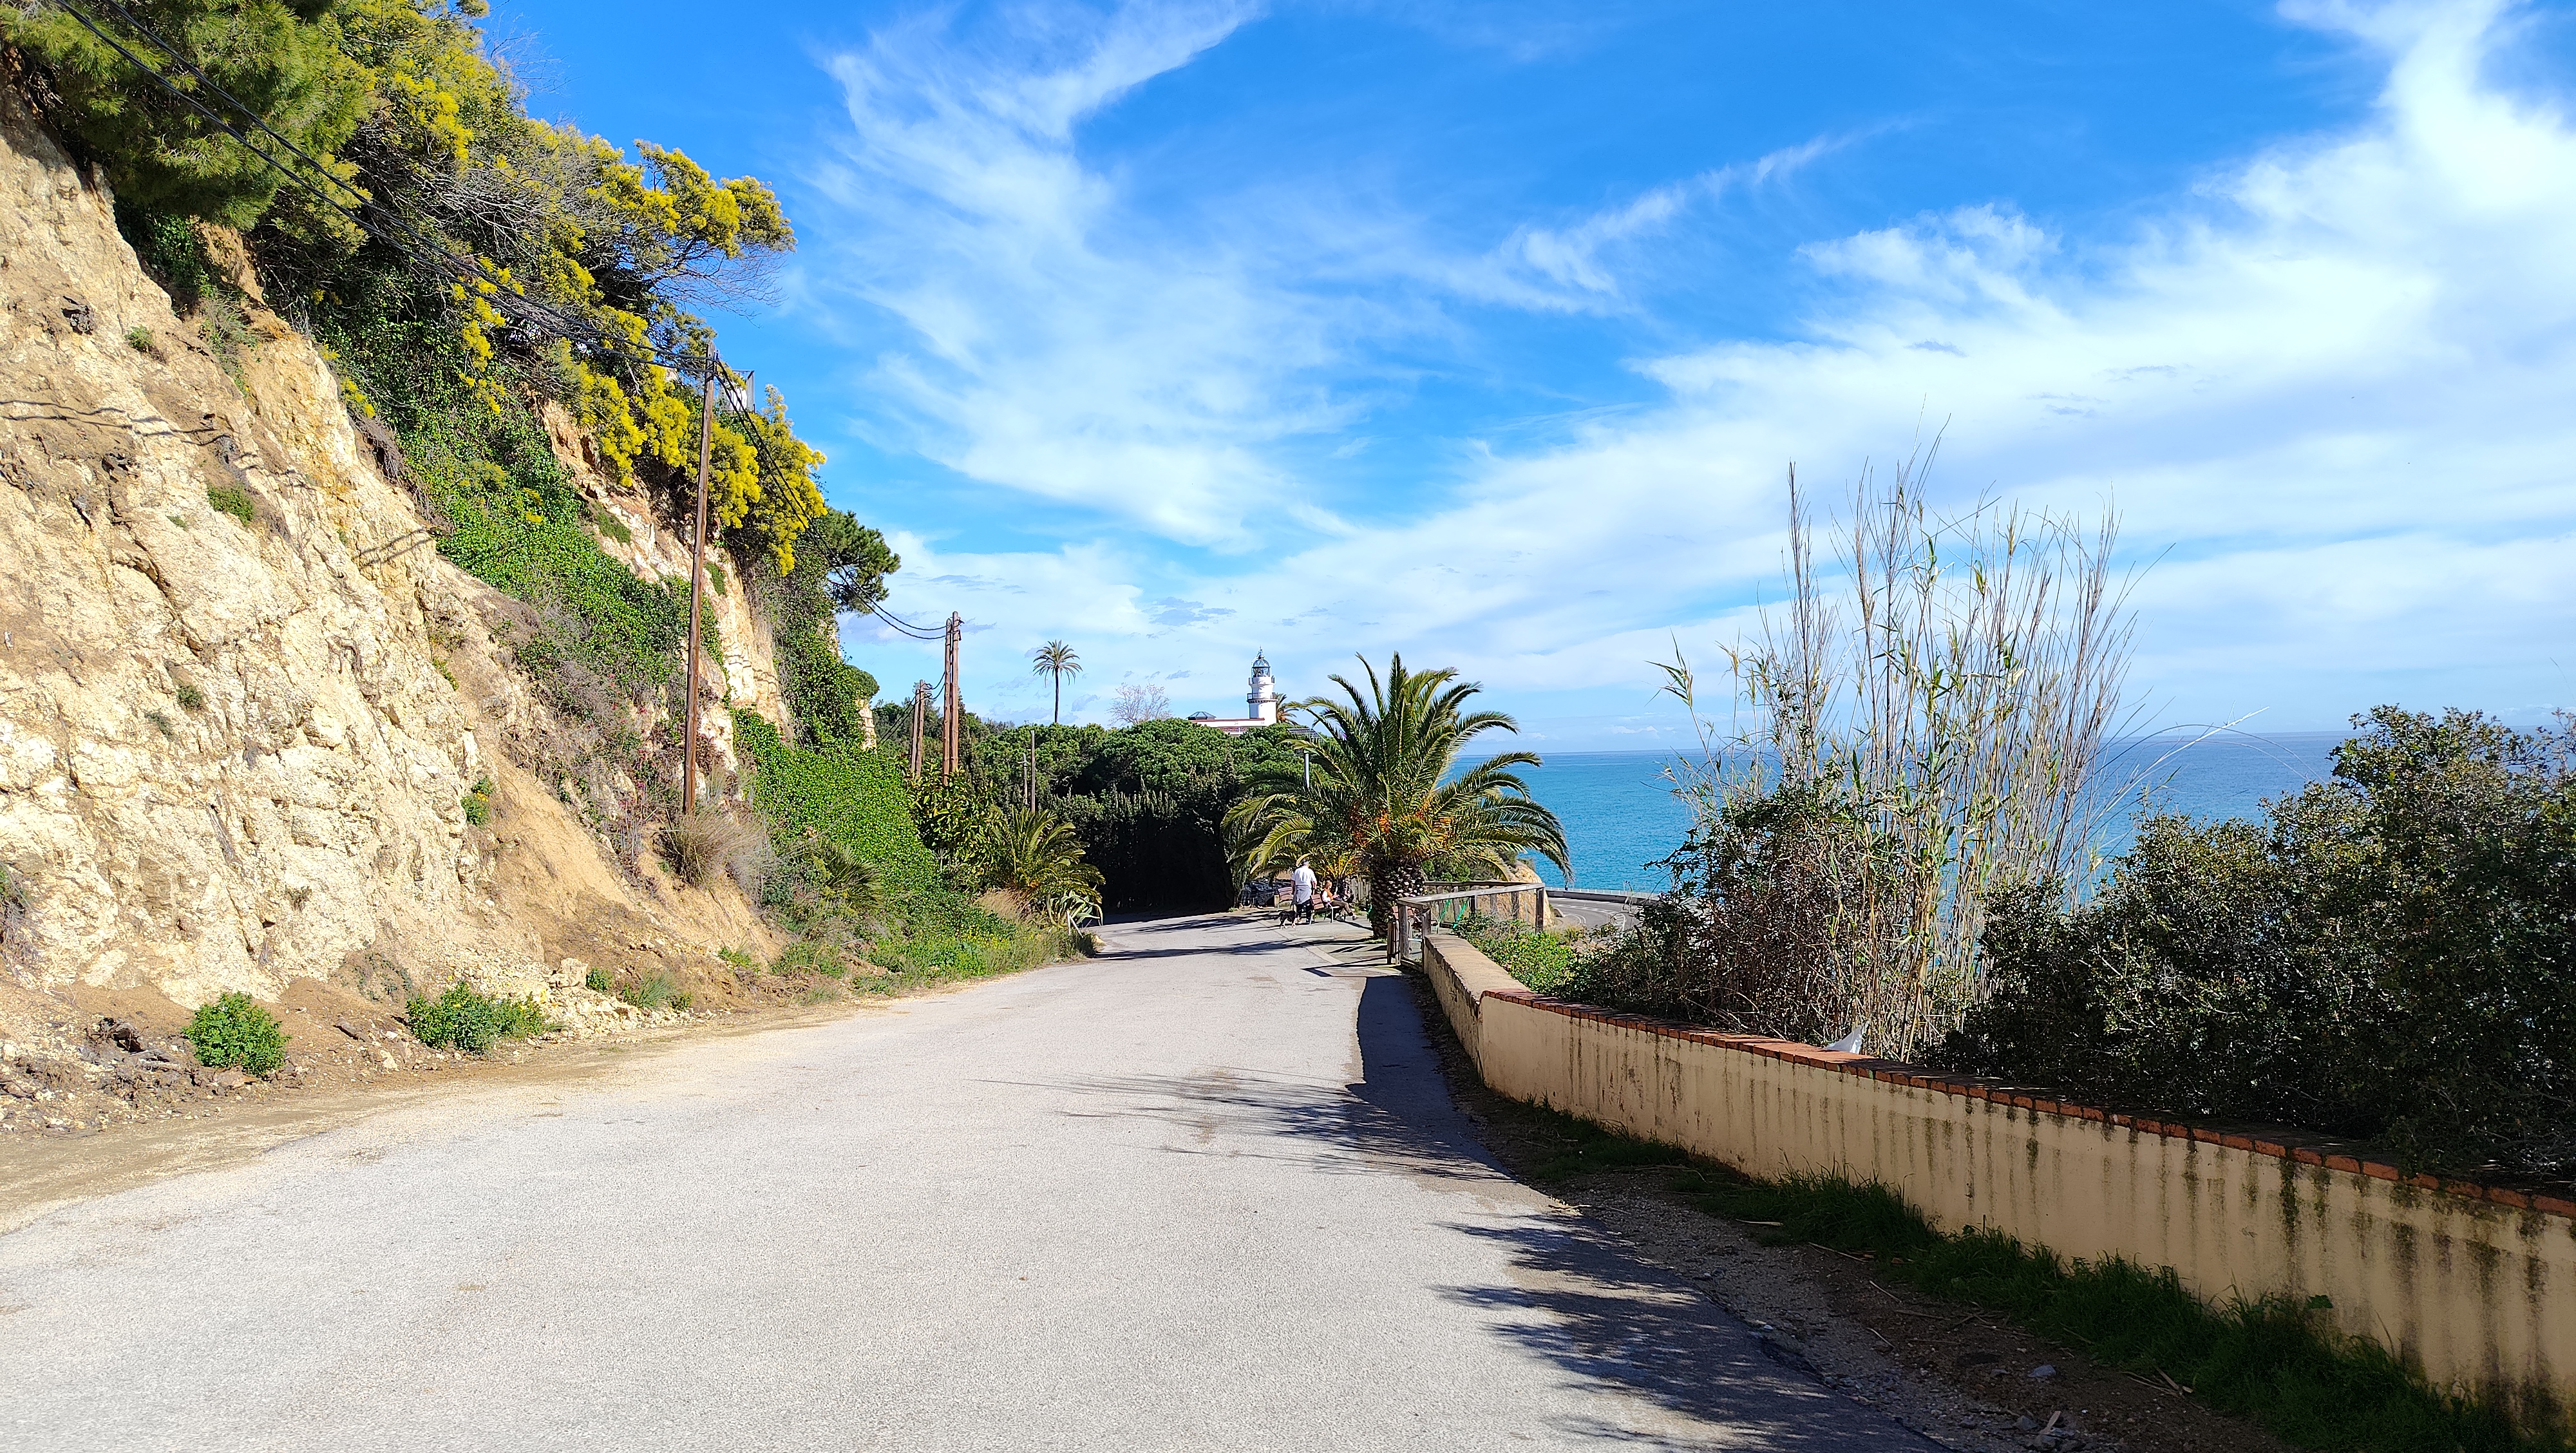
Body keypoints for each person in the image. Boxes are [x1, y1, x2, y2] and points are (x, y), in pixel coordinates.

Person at [1291, 858, 1316, 925]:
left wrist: (1293, 889)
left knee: (1299, 905)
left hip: (1298, 888)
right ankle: (1308, 919)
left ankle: (1299, 919)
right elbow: (1314, 881)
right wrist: (1314, 889)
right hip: (1307, 888)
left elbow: (1293, 881)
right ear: (1308, 865)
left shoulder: (1297, 871)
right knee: (1308, 904)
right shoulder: (1310, 871)